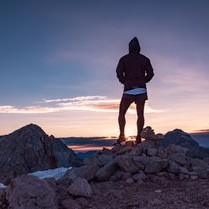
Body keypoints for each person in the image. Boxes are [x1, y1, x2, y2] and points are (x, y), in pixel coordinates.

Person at [116, 37, 154, 144]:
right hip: (141, 89)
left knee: (122, 113)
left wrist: (124, 82)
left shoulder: (123, 59)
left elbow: (119, 73)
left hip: (128, 90)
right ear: (139, 48)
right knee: (140, 114)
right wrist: (143, 81)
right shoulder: (145, 59)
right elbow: (151, 73)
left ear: (129, 47)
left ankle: (122, 135)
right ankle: (138, 137)